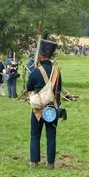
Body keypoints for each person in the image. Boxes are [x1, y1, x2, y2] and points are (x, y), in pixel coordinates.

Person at [26, 38, 62, 169]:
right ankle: (50, 164)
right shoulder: (57, 72)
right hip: (52, 108)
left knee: (35, 136)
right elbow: (58, 91)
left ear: (40, 55)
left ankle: (34, 162)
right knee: (51, 137)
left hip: (37, 108)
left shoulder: (36, 71)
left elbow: (29, 87)